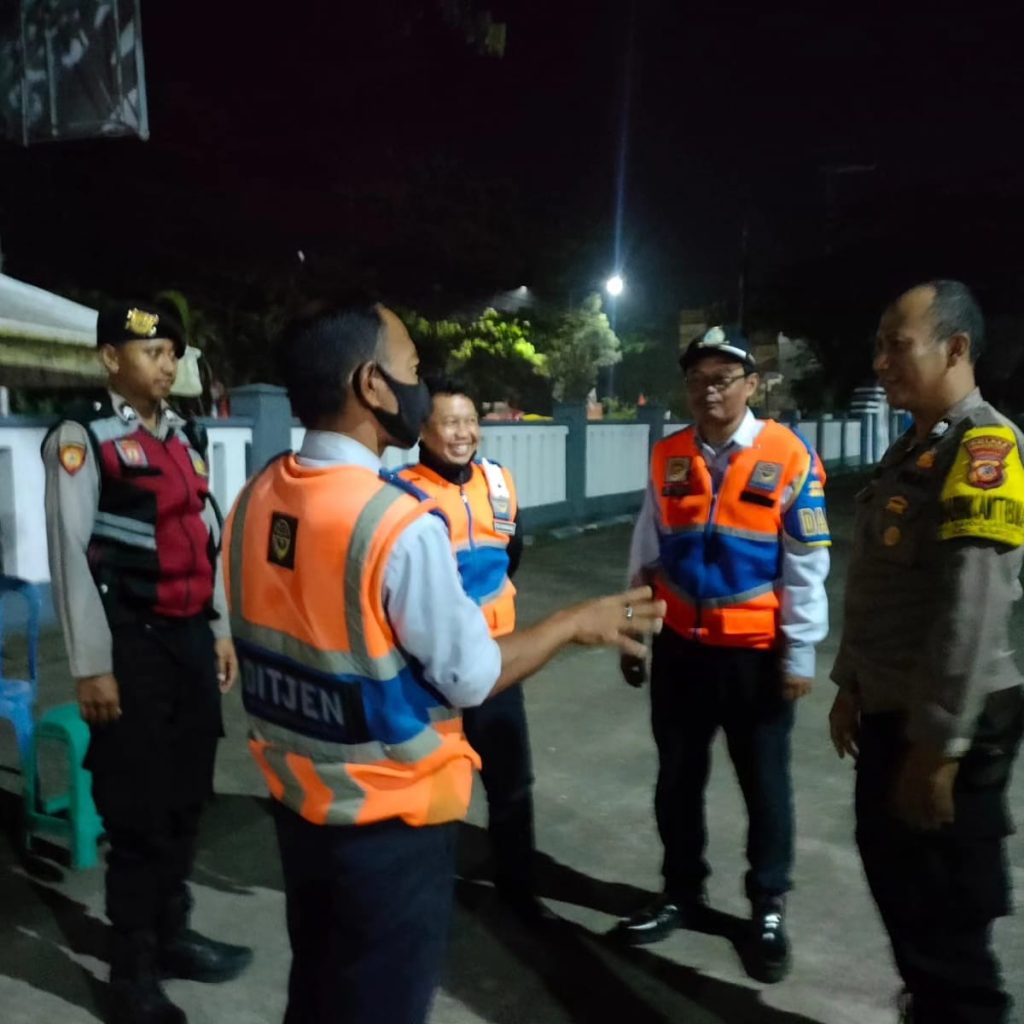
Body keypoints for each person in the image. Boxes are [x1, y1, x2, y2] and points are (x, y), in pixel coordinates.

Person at [222, 300, 665, 1024]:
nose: (423, 390)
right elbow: (472, 675)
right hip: (389, 827)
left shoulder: (254, 497)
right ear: (371, 385)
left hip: (297, 807)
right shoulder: (394, 522)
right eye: (413, 371)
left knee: (319, 992)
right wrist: (570, 623)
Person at [42, 301, 252, 1024]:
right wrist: (91, 666)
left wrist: (219, 627)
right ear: (110, 358)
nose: (167, 365)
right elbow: (70, 553)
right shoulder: (83, 438)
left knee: (189, 793)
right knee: (137, 809)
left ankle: (173, 934)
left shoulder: (184, 437)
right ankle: (130, 973)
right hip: (129, 643)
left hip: (190, 639)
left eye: (172, 353)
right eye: (153, 351)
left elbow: (206, 532)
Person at [829, 281, 1024, 1024]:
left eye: (896, 344)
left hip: (944, 726)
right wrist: (851, 684)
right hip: (892, 712)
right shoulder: (915, 445)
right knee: (901, 886)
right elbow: (882, 586)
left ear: (957, 348)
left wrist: (939, 746)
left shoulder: (984, 448)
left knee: (945, 919)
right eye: (878, 345)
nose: (880, 361)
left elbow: (970, 610)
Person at [613, 324, 831, 983]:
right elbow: (643, 553)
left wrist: (799, 655)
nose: (708, 390)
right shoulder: (668, 455)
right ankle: (682, 890)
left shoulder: (789, 457)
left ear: (751, 385)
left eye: (722, 378)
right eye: (697, 379)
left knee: (765, 786)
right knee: (677, 781)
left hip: (756, 658)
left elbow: (807, 565)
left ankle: (767, 907)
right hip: (681, 651)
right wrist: (632, 630)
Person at [397, 375, 546, 924]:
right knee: (434, 785)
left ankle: (518, 890)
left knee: (511, 781)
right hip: (432, 667)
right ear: (422, 428)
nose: (463, 433)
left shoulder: (500, 481)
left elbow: (514, 553)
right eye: (450, 422)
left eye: (470, 421)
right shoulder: (402, 489)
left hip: (501, 660)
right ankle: (426, 887)